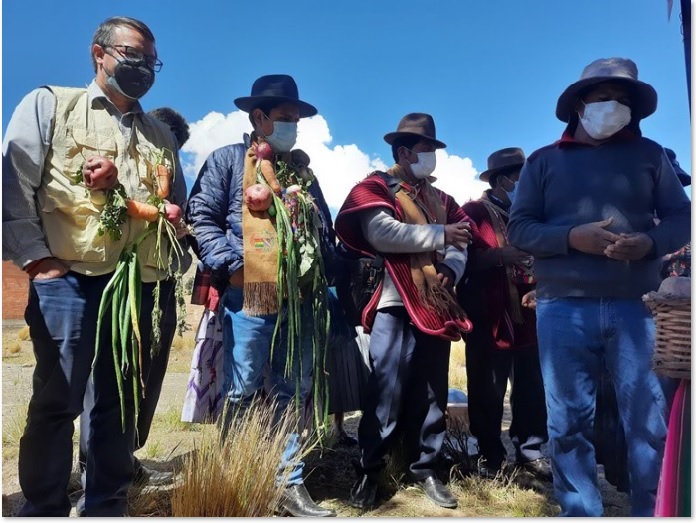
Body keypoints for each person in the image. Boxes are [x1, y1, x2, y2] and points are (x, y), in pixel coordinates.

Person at [2, 16, 188, 516]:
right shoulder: (50, 106)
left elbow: (177, 215)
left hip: (138, 285)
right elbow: (12, 188)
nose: (143, 67)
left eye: (151, 61)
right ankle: (42, 507)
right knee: (58, 400)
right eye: (132, 55)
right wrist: (36, 260)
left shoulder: (162, 137)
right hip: (70, 280)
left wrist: (174, 221)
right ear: (98, 54)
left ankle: (106, 505)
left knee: (118, 404)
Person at [507, 57, 691, 517]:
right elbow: (519, 229)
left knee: (650, 425)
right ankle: (580, 511)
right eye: (606, 97)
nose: (616, 107)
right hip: (562, 308)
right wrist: (572, 238)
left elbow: (682, 217)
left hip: (637, 308)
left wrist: (648, 243)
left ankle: (654, 512)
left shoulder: (650, 156)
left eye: (625, 100)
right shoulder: (543, 161)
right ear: (580, 105)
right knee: (568, 424)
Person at [185, 74, 337, 517]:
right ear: (258, 118)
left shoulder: (303, 172)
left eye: (296, 119)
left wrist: (322, 260)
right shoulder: (229, 161)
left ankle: (288, 483)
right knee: (243, 387)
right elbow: (202, 216)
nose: (293, 125)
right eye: (285, 118)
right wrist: (232, 267)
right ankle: (239, 477)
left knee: (295, 387)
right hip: (249, 295)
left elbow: (323, 228)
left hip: (300, 300)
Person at [335, 113, 474, 510]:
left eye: (434, 149)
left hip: (435, 303)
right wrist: (441, 235)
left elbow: (463, 242)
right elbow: (382, 234)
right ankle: (370, 471)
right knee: (386, 389)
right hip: (394, 302)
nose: (432, 156)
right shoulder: (375, 187)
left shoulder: (442, 200)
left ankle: (425, 467)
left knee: (432, 390)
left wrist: (450, 267)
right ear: (403, 152)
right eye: (426, 149)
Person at [78, 105, 192, 492]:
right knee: (109, 374)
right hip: (115, 277)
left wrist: (180, 232)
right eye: (170, 144)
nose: (171, 153)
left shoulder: (170, 167)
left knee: (146, 373)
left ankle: (123, 458)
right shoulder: (113, 155)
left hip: (158, 279)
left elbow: (179, 217)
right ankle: (93, 466)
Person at [456, 147, 550, 480]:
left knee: (531, 386)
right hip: (490, 317)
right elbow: (461, 261)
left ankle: (531, 451)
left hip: (531, 315)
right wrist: (501, 255)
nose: (526, 184)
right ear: (503, 180)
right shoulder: (471, 212)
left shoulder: (531, 217)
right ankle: (490, 454)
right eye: (520, 178)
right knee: (487, 388)